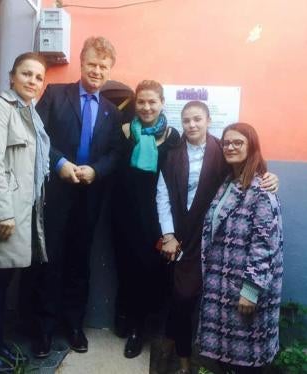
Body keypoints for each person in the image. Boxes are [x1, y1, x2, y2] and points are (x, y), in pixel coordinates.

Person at [156, 101, 279, 374]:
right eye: (186, 120)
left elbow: (251, 169)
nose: (192, 125)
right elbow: (162, 195)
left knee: (210, 306)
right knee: (182, 297)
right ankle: (182, 357)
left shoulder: (222, 153)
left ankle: (193, 356)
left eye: (197, 119)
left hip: (216, 246)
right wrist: (168, 234)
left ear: (209, 120)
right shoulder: (173, 154)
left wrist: (270, 177)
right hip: (181, 240)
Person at [31, 36, 122, 357]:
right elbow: (37, 135)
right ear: (81, 63)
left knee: (79, 264)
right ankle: (42, 330)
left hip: (89, 199)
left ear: (110, 70)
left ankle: (73, 326)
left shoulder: (112, 112)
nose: (96, 71)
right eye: (92, 64)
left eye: (103, 66)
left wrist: (96, 171)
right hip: (55, 195)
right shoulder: (55, 95)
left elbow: (115, 153)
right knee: (49, 261)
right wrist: (59, 163)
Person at [0, 52, 49, 372]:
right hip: (1, 214)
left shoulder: (29, 112)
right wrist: (3, 213)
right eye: (26, 74)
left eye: (38, 77)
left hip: (21, 214)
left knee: (2, 284)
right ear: (12, 76)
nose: (32, 81)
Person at [197, 122, 283, 373]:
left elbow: (265, 245)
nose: (230, 147)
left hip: (243, 290)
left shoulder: (261, 188)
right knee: (227, 358)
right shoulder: (228, 181)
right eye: (226, 143)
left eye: (238, 142)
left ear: (251, 146)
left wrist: (251, 290)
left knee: (248, 361)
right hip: (223, 285)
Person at [112, 80, 180, 358]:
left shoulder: (174, 136)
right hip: (125, 215)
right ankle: (132, 325)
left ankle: (148, 329)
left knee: (155, 274)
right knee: (128, 270)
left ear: (162, 102)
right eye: (141, 102)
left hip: (159, 217)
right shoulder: (126, 131)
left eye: (152, 102)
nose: (146, 107)